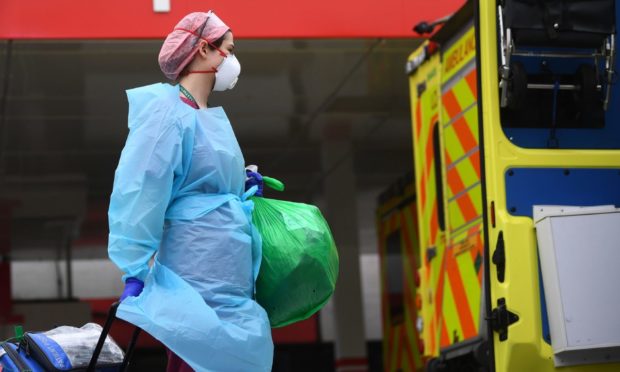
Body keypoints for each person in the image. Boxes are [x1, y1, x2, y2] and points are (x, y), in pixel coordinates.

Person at [107, 11, 273, 372]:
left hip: (230, 277)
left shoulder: (207, 115)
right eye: (227, 50)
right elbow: (139, 191)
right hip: (194, 274)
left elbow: (203, 181)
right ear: (203, 49)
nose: (232, 59)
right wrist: (135, 269)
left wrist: (241, 187)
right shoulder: (166, 114)